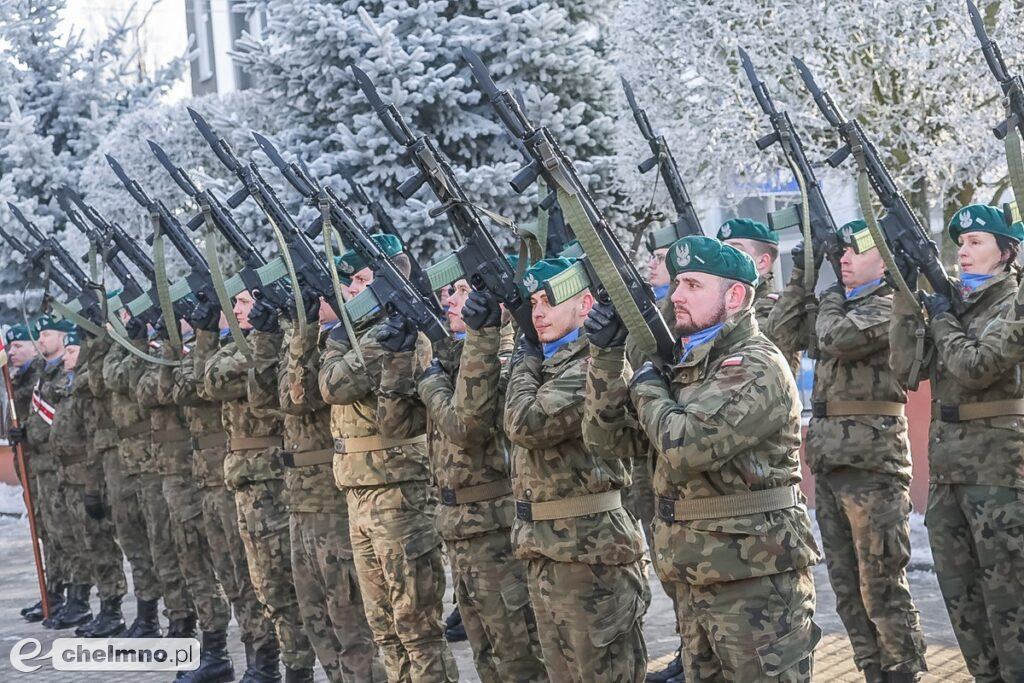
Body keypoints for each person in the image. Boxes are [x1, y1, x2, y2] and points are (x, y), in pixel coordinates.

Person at [627, 236, 820, 682]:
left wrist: (647, 385)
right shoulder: (689, 364)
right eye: (677, 283)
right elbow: (617, 442)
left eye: (693, 285)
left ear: (734, 296)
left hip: (754, 579)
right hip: (697, 570)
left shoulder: (756, 364)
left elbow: (685, 445)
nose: (676, 295)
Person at [769, 220, 927, 682]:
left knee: (882, 588)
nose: (843, 259)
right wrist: (803, 274)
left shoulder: (890, 305)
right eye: (840, 251)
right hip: (832, 463)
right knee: (847, 589)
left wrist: (832, 292)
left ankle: (904, 671)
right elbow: (781, 335)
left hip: (874, 466)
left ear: (885, 259)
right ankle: (872, 670)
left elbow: (838, 338)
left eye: (856, 250)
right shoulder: (837, 305)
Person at [893, 204, 1024, 682]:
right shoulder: (953, 301)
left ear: (1007, 253)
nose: (963, 252)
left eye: (976, 242)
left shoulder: (1013, 303)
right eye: (961, 244)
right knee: (963, 603)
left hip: (998, 476)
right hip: (948, 474)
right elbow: (905, 369)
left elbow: (976, 367)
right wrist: (906, 291)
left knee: (1010, 605)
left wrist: (943, 318)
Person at [319, 238, 458, 682]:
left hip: (398, 495)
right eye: (350, 282)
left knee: (417, 628)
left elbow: (334, 386)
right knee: (384, 629)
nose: (351, 291)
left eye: (361, 281)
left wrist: (338, 338)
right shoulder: (363, 334)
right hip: (360, 492)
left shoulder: (390, 335)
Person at [505, 257, 649, 682]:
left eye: (549, 301)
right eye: (533, 302)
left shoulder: (593, 366)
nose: (538, 313)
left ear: (585, 305)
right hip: (545, 547)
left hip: (590, 553)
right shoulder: (548, 363)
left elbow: (525, 423)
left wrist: (523, 360)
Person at [415, 278, 547, 681]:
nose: (451, 300)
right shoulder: (459, 355)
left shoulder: (505, 357)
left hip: (495, 527)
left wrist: (431, 383)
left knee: (519, 658)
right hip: (460, 527)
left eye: (462, 291)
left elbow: (467, 427)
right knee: (486, 657)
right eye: (450, 292)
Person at [249, 289, 384, 683]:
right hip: (299, 498)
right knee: (315, 616)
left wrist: (307, 332)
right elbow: (263, 398)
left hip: (330, 497)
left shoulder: (349, 344)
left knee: (348, 617)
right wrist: (279, 334)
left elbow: (300, 397)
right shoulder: (313, 340)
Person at [197, 291, 315, 682]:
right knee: (256, 582)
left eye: (246, 302)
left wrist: (264, 337)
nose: (237, 310)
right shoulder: (244, 343)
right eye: (235, 302)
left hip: (272, 479)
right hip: (246, 479)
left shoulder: (281, 339)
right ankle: (264, 664)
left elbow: (236, 384)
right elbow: (207, 381)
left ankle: (296, 669)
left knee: (281, 584)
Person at [173, 311, 278, 681]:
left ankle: (265, 664)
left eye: (244, 301)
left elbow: (207, 384)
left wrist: (206, 338)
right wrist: (204, 334)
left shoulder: (266, 341)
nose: (237, 309)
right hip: (222, 474)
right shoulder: (229, 346)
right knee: (231, 576)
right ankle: (240, 659)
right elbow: (186, 388)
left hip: (251, 475)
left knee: (252, 578)